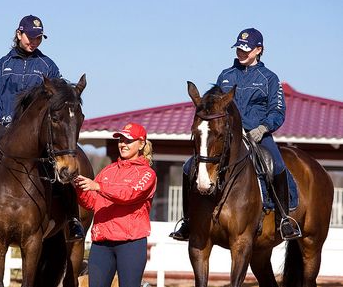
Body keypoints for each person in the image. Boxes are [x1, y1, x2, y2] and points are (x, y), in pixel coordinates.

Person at [0, 15, 85, 248]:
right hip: (3, 129)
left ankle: (72, 219)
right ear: (19, 34)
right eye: (31, 36)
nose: (35, 41)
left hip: (36, 135)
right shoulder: (1, 65)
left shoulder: (48, 66)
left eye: (39, 38)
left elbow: (58, 100)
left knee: (64, 168)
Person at [169, 28, 301, 241]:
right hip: (228, 134)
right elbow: (213, 106)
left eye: (246, 49)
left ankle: (284, 219)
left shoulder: (269, 78)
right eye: (239, 48)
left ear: (258, 50)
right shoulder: (226, 75)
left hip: (258, 133)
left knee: (276, 165)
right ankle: (188, 220)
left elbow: (278, 110)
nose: (241, 52)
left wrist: (264, 128)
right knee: (188, 167)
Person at [73, 122, 157, 287]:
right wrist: (80, 189)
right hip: (102, 243)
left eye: (128, 141)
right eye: (120, 140)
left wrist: (97, 186)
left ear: (141, 144)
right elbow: (92, 202)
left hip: (130, 243)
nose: (122, 144)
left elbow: (129, 194)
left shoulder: (148, 174)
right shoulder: (108, 170)